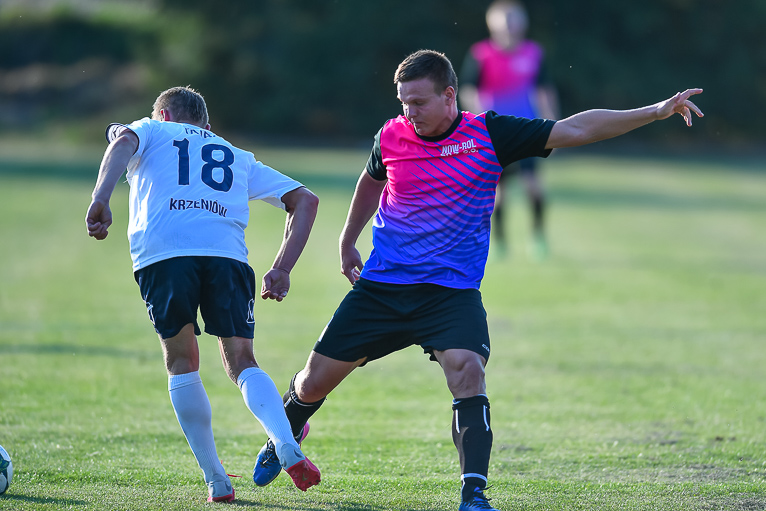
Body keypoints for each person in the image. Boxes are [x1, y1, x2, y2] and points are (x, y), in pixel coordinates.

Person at [251, 50, 703, 511]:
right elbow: (372, 180)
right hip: (383, 288)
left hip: (451, 293)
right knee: (311, 384)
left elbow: (575, 129)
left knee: (468, 371)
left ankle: (474, 494)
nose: (409, 112)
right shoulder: (390, 135)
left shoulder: (490, 133)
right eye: (403, 102)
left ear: (450, 96)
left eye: (419, 102)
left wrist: (656, 110)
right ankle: (287, 433)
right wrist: (348, 240)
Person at [85, 86, 322, 503]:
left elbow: (121, 141)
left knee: (182, 362)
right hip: (226, 258)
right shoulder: (233, 153)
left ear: (162, 116)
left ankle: (216, 480)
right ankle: (285, 441)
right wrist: (282, 267)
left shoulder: (151, 130)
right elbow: (305, 199)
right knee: (243, 362)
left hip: (165, 256)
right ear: (207, 127)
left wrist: (101, 197)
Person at [460, 0, 559, 259]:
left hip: (528, 130)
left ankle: (538, 238)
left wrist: (554, 125)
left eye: (513, 21)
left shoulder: (533, 53)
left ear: (523, 24)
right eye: (503, 22)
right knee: (498, 193)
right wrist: (480, 120)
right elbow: (468, 90)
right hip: (495, 134)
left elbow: (544, 91)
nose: (509, 27)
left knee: (533, 186)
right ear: (492, 25)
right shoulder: (481, 54)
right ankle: (500, 242)